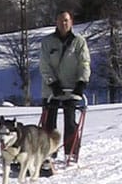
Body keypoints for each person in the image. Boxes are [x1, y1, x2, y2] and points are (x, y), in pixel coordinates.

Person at [37, 9, 91, 170]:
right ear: (56, 22)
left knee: (70, 122)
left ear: (71, 22)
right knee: (48, 124)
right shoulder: (47, 42)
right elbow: (44, 65)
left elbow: (84, 63)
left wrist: (82, 82)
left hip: (71, 88)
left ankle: (71, 152)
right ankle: (47, 154)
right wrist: (52, 83)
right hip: (51, 90)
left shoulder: (79, 41)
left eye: (66, 20)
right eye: (61, 20)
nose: (64, 23)